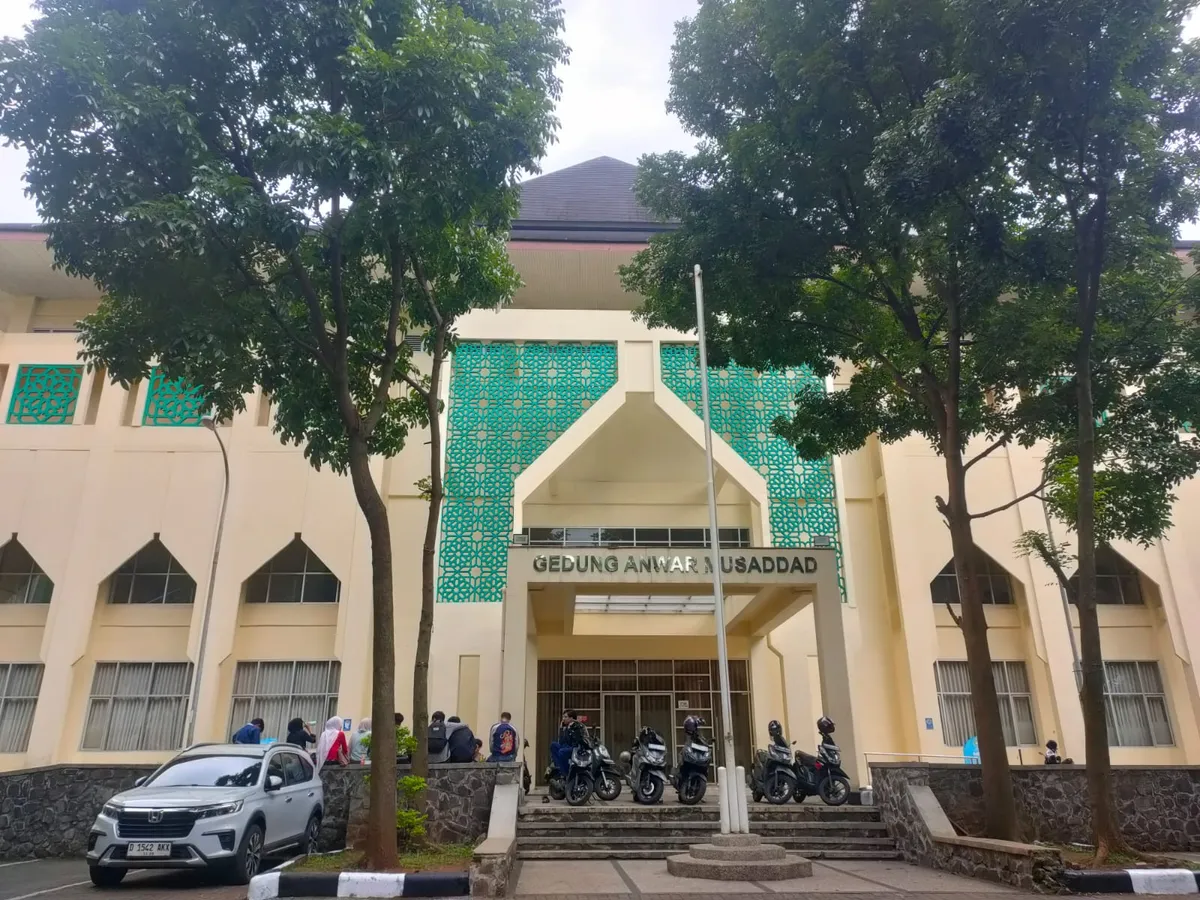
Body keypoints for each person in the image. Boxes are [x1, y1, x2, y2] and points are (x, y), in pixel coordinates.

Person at [549, 710, 577, 777]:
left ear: (571, 718)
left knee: (562, 751)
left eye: (565, 717)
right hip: (565, 747)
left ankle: (565, 773)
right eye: (563, 717)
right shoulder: (566, 728)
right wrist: (561, 729)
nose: (563, 719)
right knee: (553, 745)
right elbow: (561, 742)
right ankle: (559, 767)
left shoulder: (576, 727)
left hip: (573, 748)